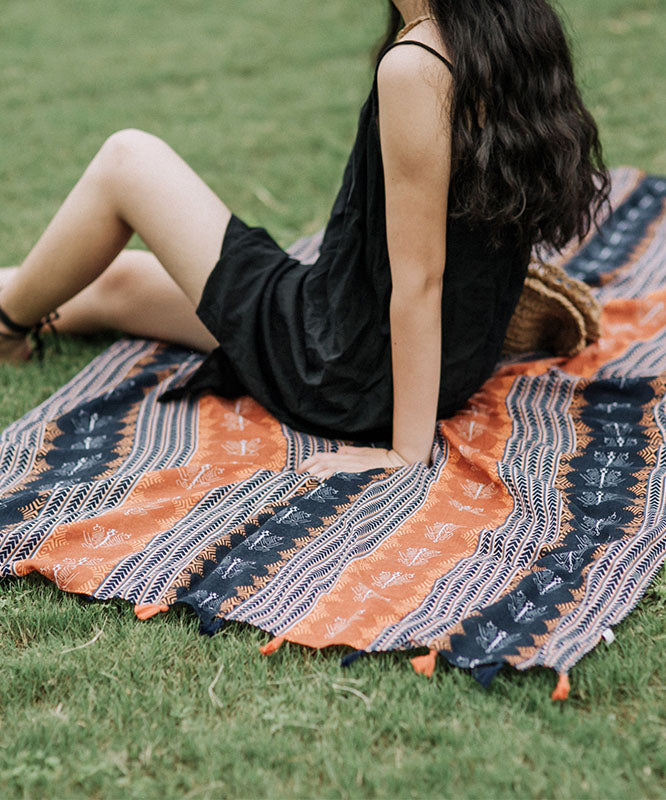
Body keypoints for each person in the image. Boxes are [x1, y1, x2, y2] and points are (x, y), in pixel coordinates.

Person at [0, 1, 608, 480]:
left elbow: (418, 282)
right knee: (120, 283)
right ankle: (14, 318)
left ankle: (7, 330)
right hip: (420, 350)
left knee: (128, 160)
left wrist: (404, 452)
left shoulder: (418, 64)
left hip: (341, 365)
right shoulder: (504, 26)